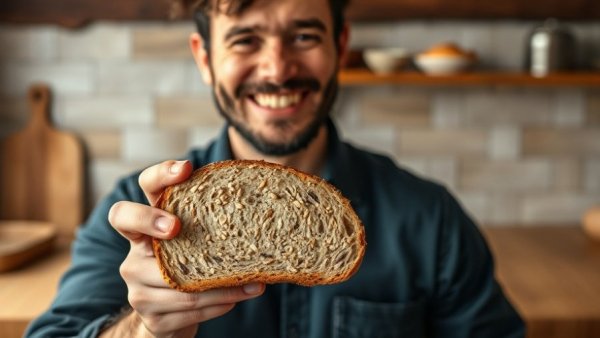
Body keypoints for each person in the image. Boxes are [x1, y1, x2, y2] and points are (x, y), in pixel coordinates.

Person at [26, 0, 525, 337]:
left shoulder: (427, 217)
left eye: (304, 35)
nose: (277, 68)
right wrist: (144, 329)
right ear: (204, 58)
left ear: (340, 45)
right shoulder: (141, 217)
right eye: (245, 40)